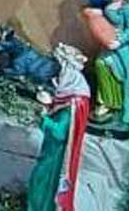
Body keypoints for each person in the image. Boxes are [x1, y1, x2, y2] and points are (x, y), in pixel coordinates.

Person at [26, 44, 91, 211]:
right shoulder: (68, 95)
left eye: (59, 67)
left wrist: (44, 118)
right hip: (51, 150)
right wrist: (49, 105)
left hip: (56, 156)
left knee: (40, 183)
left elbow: (60, 133)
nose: (57, 73)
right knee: (38, 182)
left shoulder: (73, 104)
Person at [78, 0, 129, 128]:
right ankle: (105, 100)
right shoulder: (109, 2)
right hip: (108, 43)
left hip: (121, 47)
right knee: (100, 65)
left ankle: (116, 103)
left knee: (117, 72)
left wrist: (119, 41)